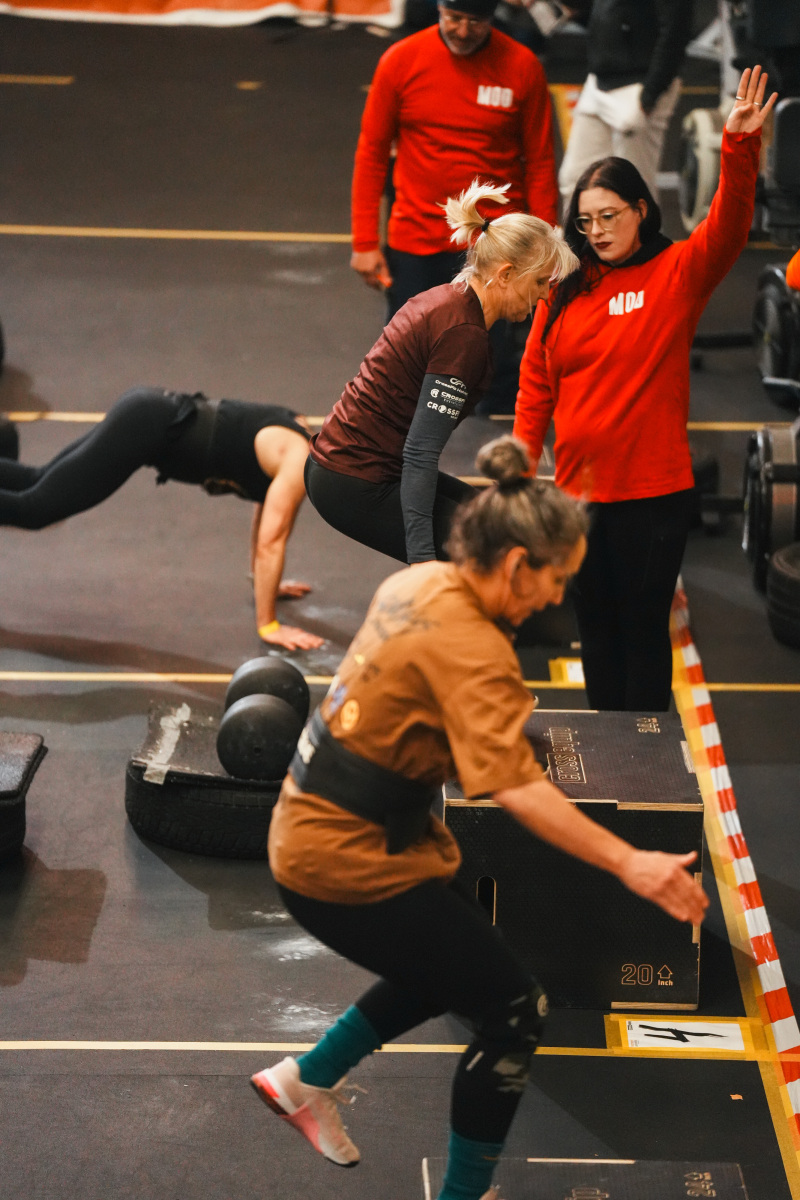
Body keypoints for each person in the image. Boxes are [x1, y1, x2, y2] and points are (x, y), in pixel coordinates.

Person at [251, 436, 709, 1200]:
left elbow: (425, 718)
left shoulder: (420, 581)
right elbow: (515, 787)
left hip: (322, 823)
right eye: (554, 580)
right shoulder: (478, 649)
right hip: (345, 858)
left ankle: (306, 1079)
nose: (553, 600)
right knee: (513, 1010)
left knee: (458, 966)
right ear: (517, 563)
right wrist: (632, 862)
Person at [513, 66, 778, 711]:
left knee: (641, 633)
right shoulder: (563, 289)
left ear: (641, 210)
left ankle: (648, 761)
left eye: (610, 216)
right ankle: (611, 758)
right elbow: (535, 380)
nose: (598, 231)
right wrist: (519, 466)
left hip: (652, 498)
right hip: (577, 497)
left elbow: (729, 226)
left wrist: (740, 147)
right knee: (595, 632)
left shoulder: (676, 272)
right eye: (586, 222)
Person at [308, 181, 577, 565]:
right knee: (495, 555)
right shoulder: (463, 335)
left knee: (505, 530)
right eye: (538, 282)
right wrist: (424, 563)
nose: (544, 295)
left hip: (355, 468)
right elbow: (420, 454)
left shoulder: (453, 301)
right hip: (356, 482)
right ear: (505, 274)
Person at [350, 0, 560, 409]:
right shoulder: (400, 61)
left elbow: (539, 162)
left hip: (494, 246)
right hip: (416, 237)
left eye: (475, 22)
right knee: (406, 365)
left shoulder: (522, 66)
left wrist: (545, 246)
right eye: (454, 19)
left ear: (493, 17)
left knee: (486, 373)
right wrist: (364, 241)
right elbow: (372, 153)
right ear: (439, 9)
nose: (463, 31)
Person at [0, 387, 324, 652]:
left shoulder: (301, 433)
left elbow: (266, 513)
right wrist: (268, 625)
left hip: (147, 409)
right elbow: (271, 543)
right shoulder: (299, 464)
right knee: (35, 509)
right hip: (144, 428)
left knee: (35, 481)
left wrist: (263, 581)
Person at [557, 0, 693, 209]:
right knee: (575, 180)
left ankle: (644, 232)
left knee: (632, 193)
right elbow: (604, 16)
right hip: (599, 81)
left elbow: (677, 28)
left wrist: (650, 95)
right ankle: (579, 234)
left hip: (639, 85)